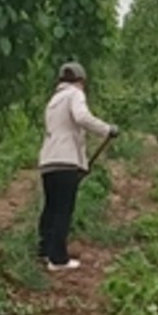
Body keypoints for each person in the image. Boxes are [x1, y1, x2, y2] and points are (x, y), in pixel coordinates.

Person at [36, 62, 118, 272]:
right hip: (66, 160)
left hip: (48, 160)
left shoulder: (54, 100)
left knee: (51, 207)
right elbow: (81, 117)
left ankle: (44, 251)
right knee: (64, 209)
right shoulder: (75, 94)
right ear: (81, 81)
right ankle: (59, 259)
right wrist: (106, 129)